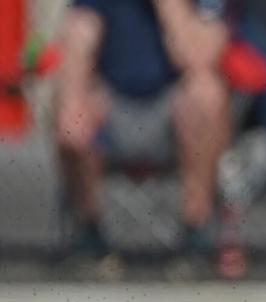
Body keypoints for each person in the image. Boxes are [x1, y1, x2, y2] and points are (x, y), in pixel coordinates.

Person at [52, 0, 232, 278]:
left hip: (172, 112)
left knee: (207, 94)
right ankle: (90, 234)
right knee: (71, 114)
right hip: (114, 107)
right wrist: (73, 99)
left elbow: (197, 57)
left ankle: (196, 231)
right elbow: (79, 37)